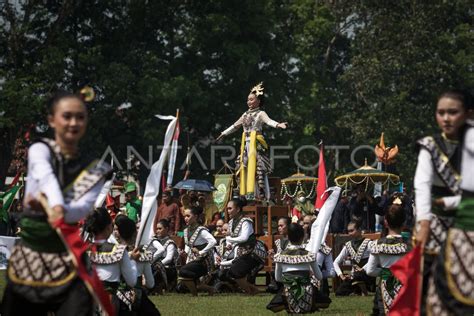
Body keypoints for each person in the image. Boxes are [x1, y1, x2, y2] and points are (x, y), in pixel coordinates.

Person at [2, 90, 111, 315]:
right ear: (52, 120)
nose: (74, 122)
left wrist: (57, 209)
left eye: (80, 117)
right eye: (67, 116)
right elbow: (46, 177)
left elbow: (82, 208)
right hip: (30, 256)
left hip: (68, 257)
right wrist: (57, 204)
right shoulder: (40, 150)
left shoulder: (97, 170)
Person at [413, 90, 471, 312]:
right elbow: (422, 185)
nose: (446, 118)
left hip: (467, 222)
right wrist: (424, 222)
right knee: (426, 282)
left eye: (453, 112)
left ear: (466, 114)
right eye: (441, 113)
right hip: (435, 227)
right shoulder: (429, 146)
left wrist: (451, 203)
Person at [217, 82, 288, 201]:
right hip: (246, 144)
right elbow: (235, 126)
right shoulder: (245, 114)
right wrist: (224, 133)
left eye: (251, 100)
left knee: (259, 168)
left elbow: (269, 121)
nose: (249, 102)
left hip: (256, 144)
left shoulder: (261, 113)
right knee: (243, 166)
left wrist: (278, 125)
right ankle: (247, 195)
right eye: (248, 100)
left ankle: (263, 195)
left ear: (258, 101)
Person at [84, 208, 137, 314]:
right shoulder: (119, 250)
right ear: (109, 227)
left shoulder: (83, 250)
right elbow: (132, 281)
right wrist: (133, 261)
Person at [364, 201, 409, 315]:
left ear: (385, 222)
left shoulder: (377, 245)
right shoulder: (411, 245)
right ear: (404, 223)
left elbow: (370, 270)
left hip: (385, 287)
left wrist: (385, 272)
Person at [268, 223, 324, 314]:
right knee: (323, 300)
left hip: (288, 291)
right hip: (307, 291)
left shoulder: (279, 256)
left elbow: (278, 278)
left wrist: (290, 279)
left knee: (274, 304)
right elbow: (319, 277)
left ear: (288, 237)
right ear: (303, 237)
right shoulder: (309, 255)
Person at [115, 215, 160, 316]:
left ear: (117, 233)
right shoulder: (142, 255)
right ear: (135, 234)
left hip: (114, 299)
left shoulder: (111, 253)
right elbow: (150, 284)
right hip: (137, 299)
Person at [225, 197, 266, 294]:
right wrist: (229, 244)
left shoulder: (246, 221)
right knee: (231, 273)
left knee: (235, 272)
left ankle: (249, 291)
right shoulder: (231, 223)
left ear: (238, 209)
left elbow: (244, 238)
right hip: (242, 253)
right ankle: (253, 290)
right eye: (227, 209)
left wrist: (229, 240)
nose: (228, 211)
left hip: (253, 253)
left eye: (230, 208)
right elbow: (231, 236)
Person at [178, 206, 217, 296]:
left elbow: (213, 241)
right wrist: (185, 253)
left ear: (195, 217)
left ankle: (195, 294)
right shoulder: (186, 230)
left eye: (188, 216)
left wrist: (201, 252)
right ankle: (209, 289)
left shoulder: (201, 230)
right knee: (186, 275)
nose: (186, 218)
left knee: (184, 272)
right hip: (195, 260)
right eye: (184, 216)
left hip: (205, 261)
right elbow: (189, 246)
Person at [333, 220, 374, 296]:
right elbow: (335, 262)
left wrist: (363, 269)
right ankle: (358, 289)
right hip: (354, 276)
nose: (350, 233)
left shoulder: (369, 243)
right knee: (339, 293)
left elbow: (375, 259)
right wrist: (341, 275)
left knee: (358, 275)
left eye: (352, 230)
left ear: (359, 230)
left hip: (367, 275)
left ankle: (362, 289)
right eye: (348, 231)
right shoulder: (348, 245)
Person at [149, 219, 179, 293]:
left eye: (160, 229)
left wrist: (158, 264)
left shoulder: (170, 243)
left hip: (169, 269)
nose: (157, 231)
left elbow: (169, 258)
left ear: (166, 229)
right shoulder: (157, 241)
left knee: (155, 269)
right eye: (157, 229)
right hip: (159, 266)